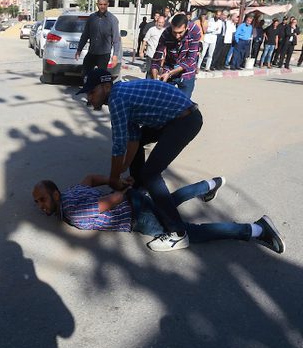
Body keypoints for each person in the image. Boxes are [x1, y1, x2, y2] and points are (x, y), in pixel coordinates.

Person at [75, 70, 203, 252]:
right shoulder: (122, 94)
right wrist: (125, 168)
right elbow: (133, 139)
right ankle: (138, 188)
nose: (89, 98)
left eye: (92, 92)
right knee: (141, 144)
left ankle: (178, 234)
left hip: (185, 121)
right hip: (176, 118)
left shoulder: (117, 99)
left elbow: (119, 145)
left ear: (105, 86)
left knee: (151, 174)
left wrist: (114, 179)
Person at [32, 176, 285, 254]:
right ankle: (209, 185)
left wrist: (124, 189)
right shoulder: (69, 193)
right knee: (169, 203)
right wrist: (117, 181)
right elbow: (90, 179)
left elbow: (108, 202)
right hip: (136, 203)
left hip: (138, 218)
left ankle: (257, 229)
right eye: (37, 202)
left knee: (191, 233)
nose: (40, 206)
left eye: (42, 199)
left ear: (55, 195)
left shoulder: (73, 214)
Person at [150, 13, 201, 98]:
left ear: (186, 28)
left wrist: (170, 73)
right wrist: (155, 80)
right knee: (165, 102)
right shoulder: (166, 34)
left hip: (187, 73)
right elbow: (156, 58)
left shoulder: (195, 31)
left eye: (180, 32)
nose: (177, 36)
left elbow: (191, 59)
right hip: (169, 68)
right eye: (174, 32)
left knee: (183, 104)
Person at [75, 0, 121, 77]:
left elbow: (116, 39)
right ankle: (88, 89)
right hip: (92, 52)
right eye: (100, 4)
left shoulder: (112, 19)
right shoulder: (92, 18)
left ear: (108, 4)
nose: (102, 6)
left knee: (101, 78)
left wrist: (115, 55)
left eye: (104, 4)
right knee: (85, 75)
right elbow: (85, 35)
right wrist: (79, 50)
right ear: (97, 4)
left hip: (104, 54)